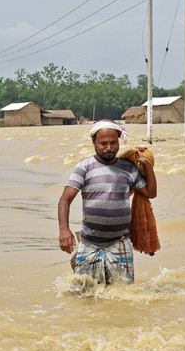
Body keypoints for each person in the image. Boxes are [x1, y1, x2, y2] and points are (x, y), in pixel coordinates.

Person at [58, 120, 157, 284]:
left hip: (120, 244)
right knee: (82, 294)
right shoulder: (84, 167)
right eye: (103, 143)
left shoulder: (128, 168)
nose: (109, 148)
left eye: (113, 143)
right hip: (89, 243)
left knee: (122, 296)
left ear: (118, 141)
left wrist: (146, 165)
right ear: (94, 142)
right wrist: (64, 230)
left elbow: (150, 193)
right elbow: (65, 199)